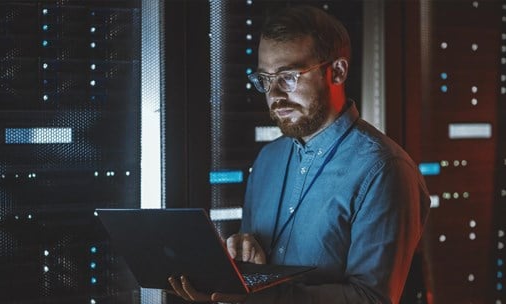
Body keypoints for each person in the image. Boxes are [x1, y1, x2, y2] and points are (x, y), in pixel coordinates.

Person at [169, 5, 430, 304]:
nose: (275, 96)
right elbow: (256, 272)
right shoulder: (267, 160)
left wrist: (259, 297)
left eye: (289, 76)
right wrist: (243, 264)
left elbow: (371, 299)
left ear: (338, 71)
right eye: (266, 80)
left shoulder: (385, 170)